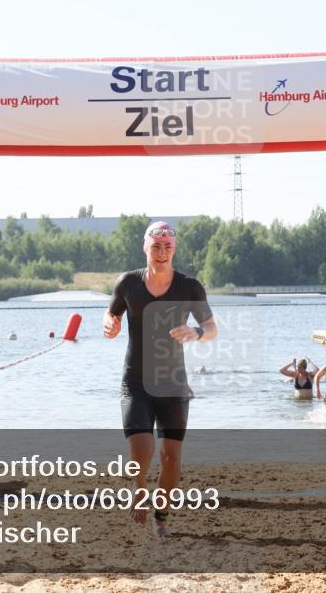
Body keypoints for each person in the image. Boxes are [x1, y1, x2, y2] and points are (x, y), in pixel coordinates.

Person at [103, 221, 217, 539]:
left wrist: (195, 332)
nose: (162, 252)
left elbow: (212, 328)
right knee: (141, 451)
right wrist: (109, 324)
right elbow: (111, 314)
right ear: (146, 248)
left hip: (173, 383)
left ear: (174, 249)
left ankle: (161, 517)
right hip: (135, 381)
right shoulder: (128, 283)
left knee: (171, 458)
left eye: (167, 247)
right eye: (156, 247)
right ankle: (140, 488)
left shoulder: (189, 287)